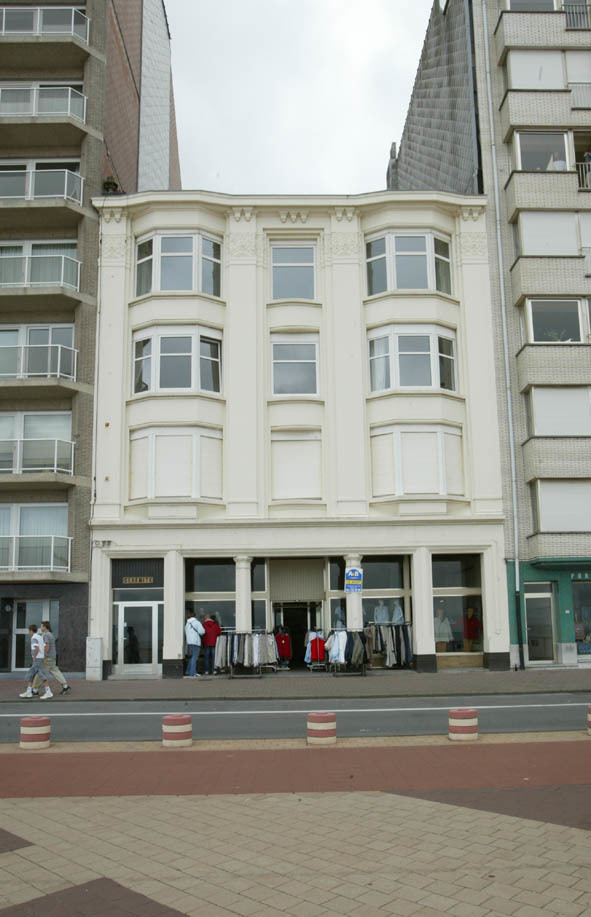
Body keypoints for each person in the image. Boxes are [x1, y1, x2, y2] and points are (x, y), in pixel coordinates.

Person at [32, 621, 70, 696]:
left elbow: (47, 646)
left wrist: (42, 656)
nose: (40, 627)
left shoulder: (46, 635)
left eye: (41, 626)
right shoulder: (51, 634)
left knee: (40, 673)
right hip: (52, 657)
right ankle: (65, 686)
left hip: (47, 658)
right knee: (56, 672)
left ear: (45, 627)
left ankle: (34, 689)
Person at [19, 624, 52, 699]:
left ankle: (48, 692)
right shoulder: (39, 637)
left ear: (31, 630)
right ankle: (29, 691)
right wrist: (42, 655)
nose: (29, 633)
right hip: (40, 658)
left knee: (41, 674)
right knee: (31, 674)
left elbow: (36, 648)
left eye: (29, 631)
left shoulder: (34, 638)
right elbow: (44, 646)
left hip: (37, 659)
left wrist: (34, 656)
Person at [185, 609, 205, 677]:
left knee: (192, 657)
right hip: (196, 642)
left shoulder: (187, 623)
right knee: (195, 657)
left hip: (189, 642)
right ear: (195, 615)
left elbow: (185, 632)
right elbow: (202, 631)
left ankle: (188, 671)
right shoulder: (197, 622)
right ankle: (192, 672)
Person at [201, 611, 221, 676]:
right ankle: (213, 670)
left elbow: (201, 633)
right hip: (214, 643)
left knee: (206, 657)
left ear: (205, 618)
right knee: (213, 657)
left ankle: (206, 671)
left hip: (206, 643)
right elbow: (219, 632)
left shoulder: (203, 625)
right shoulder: (215, 624)